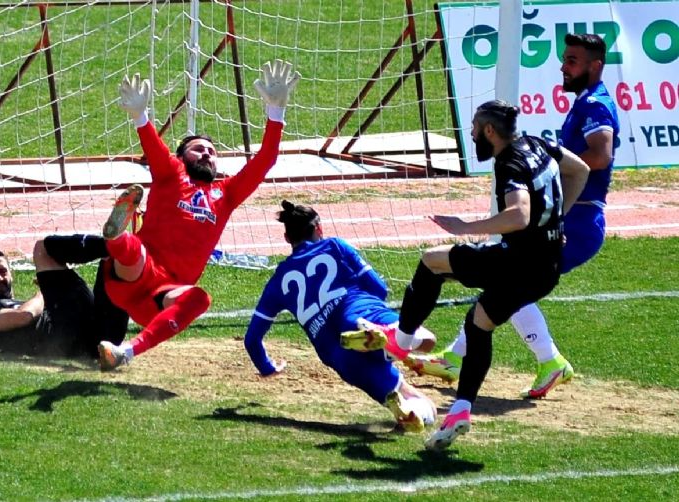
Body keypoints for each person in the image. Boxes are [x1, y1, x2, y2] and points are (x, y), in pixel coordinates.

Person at [345, 100, 590, 450]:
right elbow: (580, 171)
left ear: (490, 131)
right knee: (479, 324)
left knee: (431, 261)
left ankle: (400, 341)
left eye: (475, 127)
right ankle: (459, 411)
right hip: (546, 268)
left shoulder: (510, 162)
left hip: (516, 262)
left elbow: (518, 216)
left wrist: (466, 227)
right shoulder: (538, 143)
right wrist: (555, 221)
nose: (472, 133)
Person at [405, 33, 619, 399]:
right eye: (565, 59)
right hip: (567, 217)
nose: (563, 67)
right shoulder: (585, 102)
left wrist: (554, 195)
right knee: (508, 280)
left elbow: (599, 156)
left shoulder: (595, 105)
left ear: (595, 66)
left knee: (514, 279)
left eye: (572, 61)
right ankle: (467, 357)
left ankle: (541, 360)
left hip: (579, 219)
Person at [95, 59, 300, 371]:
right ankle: (118, 235)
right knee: (133, 249)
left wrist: (276, 113)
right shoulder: (171, 173)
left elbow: (266, 159)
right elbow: (154, 149)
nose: (207, 153)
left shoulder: (227, 194)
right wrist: (141, 116)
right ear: (181, 157)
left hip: (162, 297)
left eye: (211, 151)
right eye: (198, 149)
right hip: (135, 273)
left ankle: (124, 353)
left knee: (199, 299)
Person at [243, 200, 437, 432]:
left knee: (411, 399)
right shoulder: (334, 246)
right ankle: (391, 341)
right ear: (319, 229)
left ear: (287, 239)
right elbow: (379, 289)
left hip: (336, 353)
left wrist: (267, 367)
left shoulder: (278, 282)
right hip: (359, 313)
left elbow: (252, 339)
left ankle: (405, 407)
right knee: (427, 340)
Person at [0, 235, 128, 359]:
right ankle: (108, 244)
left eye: (3, 271)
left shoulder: (31, 303)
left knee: (117, 260)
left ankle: (129, 247)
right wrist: (44, 292)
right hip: (80, 339)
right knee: (42, 250)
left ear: (12, 275)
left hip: (106, 334)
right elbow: (25, 316)